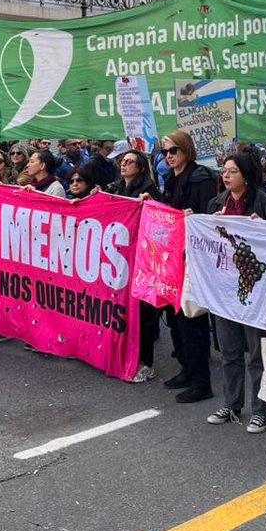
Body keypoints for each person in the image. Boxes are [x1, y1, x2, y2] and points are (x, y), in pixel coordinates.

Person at [204, 152, 266, 433]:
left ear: (247, 175)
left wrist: (263, 230)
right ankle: (231, 403)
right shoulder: (216, 204)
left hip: (257, 292)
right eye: (224, 171)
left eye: (233, 171)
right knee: (229, 351)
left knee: (257, 354)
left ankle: (262, 409)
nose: (226, 176)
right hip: (225, 291)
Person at [160, 130, 218, 404]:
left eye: (173, 151)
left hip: (193, 259)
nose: (169, 157)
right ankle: (187, 369)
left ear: (186, 150)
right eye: (164, 152)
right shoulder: (172, 179)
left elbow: (207, 218)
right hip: (175, 257)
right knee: (176, 318)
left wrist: (193, 218)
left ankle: (200, 381)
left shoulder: (201, 178)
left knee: (191, 319)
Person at [107, 149, 162, 381]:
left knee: (144, 314)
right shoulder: (116, 188)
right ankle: (124, 354)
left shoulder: (149, 193)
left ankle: (146, 362)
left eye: (130, 162)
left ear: (140, 168)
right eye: (123, 161)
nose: (124, 165)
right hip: (121, 259)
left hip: (143, 259)